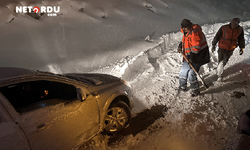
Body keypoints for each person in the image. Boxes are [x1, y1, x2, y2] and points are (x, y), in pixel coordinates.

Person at [177, 19, 210, 97]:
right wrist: (180, 45)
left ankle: (195, 90)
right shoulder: (186, 32)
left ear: (189, 26)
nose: (185, 30)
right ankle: (183, 86)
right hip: (189, 56)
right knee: (183, 71)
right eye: (184, 28)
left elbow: (196, 47)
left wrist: (191, 58)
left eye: (186, 28)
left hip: (198, 56)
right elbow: (185, 41)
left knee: (191, 73)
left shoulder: (195, 32)